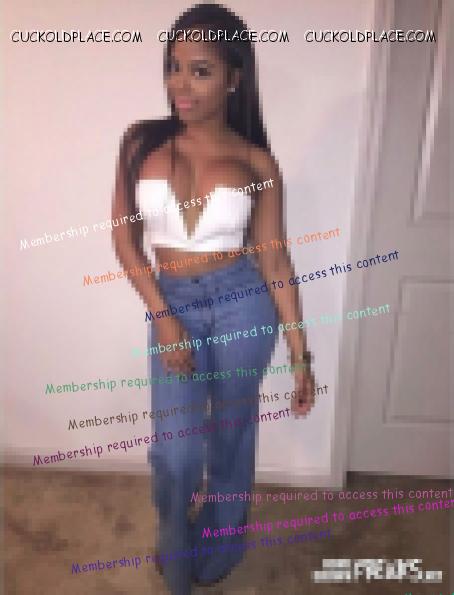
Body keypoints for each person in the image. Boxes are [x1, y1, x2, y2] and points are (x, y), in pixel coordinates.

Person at [112, 4, 315, 593]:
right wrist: (163, 315)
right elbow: (125, 240)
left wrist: (300, 355)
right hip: (172, 299)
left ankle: (223, 539)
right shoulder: (141, 143)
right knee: (176, 454)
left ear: (233, 77)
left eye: (200, 70)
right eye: (174, 67)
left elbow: (275, 260)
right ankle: (176, 541)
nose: (181, 83)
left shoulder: (257, 162)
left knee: (231, 435)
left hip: (242, 302)